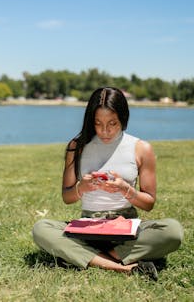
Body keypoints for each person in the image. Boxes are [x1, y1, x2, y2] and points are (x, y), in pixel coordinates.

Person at [32, 87, 183, 281]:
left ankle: (86, 256)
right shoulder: (76, 146)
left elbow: (149, 203)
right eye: (98, 123)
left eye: (112, 123)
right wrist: (82, 187)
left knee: (172, 231)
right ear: (90, 121)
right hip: (87, 228)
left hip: (126, 228)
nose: (105, 131)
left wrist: (125, 189)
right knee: (41, 229)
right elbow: (67, 197)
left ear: (123, 118)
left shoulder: (141, 148)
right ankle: (122, 267)